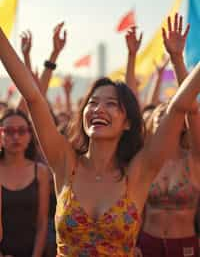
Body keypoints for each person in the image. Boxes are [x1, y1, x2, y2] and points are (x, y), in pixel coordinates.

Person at [0, 25, 200, 257]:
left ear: (127, 122)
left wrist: (177, 58)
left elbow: (178, 107)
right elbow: (33, 96)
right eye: (92, 103)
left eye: (111, 104)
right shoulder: (65, 163)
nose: (98, 109)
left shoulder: (137, 173)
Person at [135, 13, 200, 257]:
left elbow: (190, 107)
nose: (165, 116)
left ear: (181, 123)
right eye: (159, 114)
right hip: (145, 244)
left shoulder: (193, 160)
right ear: (149, 124)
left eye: (171, 112)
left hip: (183, 246)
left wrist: (176, 60)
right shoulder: (144, 162)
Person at [0, 109, 50, 257]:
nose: (16, 136)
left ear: (30, 136)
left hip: (32, 251)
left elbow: (42, 223)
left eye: (22, 131)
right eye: (9, 131)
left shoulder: (40, 171)